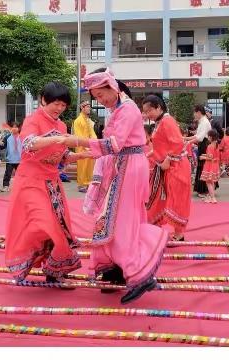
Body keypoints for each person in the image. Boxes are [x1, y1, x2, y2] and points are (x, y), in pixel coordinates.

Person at [60, 68, 169, 304]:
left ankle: (136, 272)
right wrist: (78, 155)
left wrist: (76, 142)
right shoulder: (119, 109)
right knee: (117, 218)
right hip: (125, 164)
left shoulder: (127, 109)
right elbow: (111, 145)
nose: (100, 100)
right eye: (96, 98)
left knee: (120, 220)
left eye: (101, 95)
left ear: (112, 86)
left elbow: (114, 144)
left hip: (128, 165)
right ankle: (116, 268)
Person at [5, 82, 90, 284]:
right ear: (44, 100)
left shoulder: (61, 125)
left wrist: (88, 154)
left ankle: (55, 272)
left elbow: (62, 157)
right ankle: (33, 260)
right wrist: (58, 139)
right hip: (31, 181)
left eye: (63, 105)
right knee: (43, 223)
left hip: (52, 183)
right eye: (56, 103)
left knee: (59, 228)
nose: (59, 108)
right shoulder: (33, 120)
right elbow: (29, 144)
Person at [142, 94, 191, 242]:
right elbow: (162, 145)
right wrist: (150, 155)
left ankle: (179, 234)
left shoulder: (167, 121)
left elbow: (177, 143)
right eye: (145, 111)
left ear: (159, 107)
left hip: (176, 166)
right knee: (159, 198)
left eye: (149, 110)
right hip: (166, 166)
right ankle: (155, 230)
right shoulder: (160, 122)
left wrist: (168, 160)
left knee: (176, 199)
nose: (147, 114)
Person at [184, 105, 211, 198]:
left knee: (203, 166)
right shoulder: (202, 121)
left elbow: (199, 137)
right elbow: (197, 136)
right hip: (202, 144)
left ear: (199, 112)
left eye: (195, 112)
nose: (194, 114)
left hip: (204, 145)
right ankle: (203, 189)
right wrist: (186, 138)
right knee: (201, 166)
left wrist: (188, 141)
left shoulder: (204, 122)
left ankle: (204, 189)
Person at [73, 101, 97, 193]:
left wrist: (94, 142)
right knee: (82, 166)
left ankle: (88, 183)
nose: (89, 108)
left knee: (90, 166)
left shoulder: (88, 120)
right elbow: (78, 135)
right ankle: (81, 184)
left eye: (89, 107)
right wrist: (86, 145)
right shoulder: (78, 121)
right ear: (82, 108)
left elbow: (92, 133)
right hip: (82, 147)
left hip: (89, 146)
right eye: (87, 107)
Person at [200, 129, 220, 204]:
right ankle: (211, 195)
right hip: (215, 165)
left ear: (210, 137)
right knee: (212, 181)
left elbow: (210, 157)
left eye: (208, 136)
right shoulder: (217, 145)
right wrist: (205, 155)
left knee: (208, 182)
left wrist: (203, 157)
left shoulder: (210, 146)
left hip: (209, 165)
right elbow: (214, 156)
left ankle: (212, 197)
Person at [1, 122, 22, 192]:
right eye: (12, 127)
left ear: (19, 128)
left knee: (20, 174)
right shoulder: (7, 137)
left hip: (20, 159)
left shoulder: (22, 136)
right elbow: (2, 146)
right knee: (8, 173)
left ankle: (20, 186)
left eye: (16, 127)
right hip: (10, 159)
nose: (14, 128)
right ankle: (5, 186)